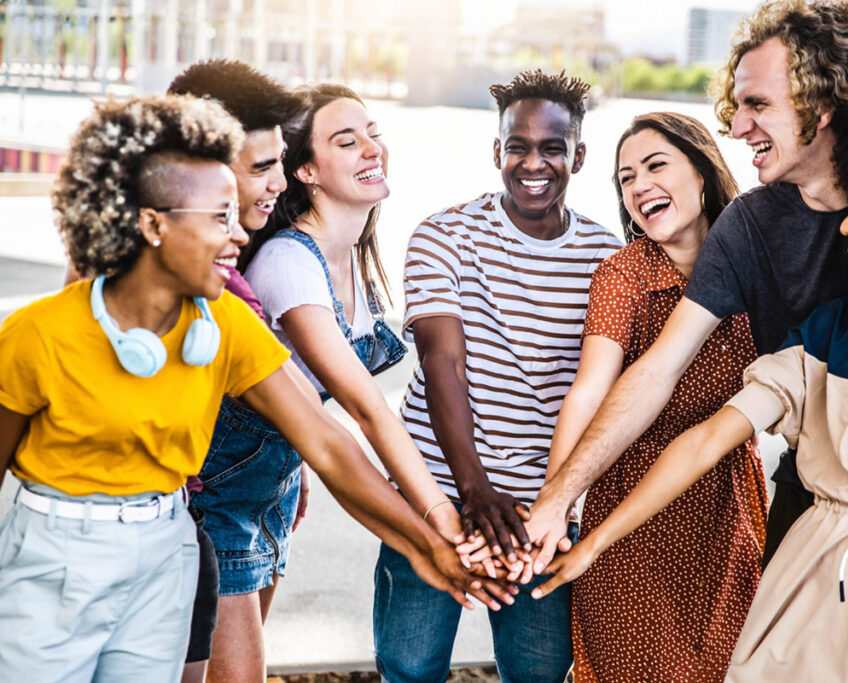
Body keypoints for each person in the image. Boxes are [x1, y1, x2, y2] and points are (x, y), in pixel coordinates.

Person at [534, 63, 848, 682]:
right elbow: (700, 432)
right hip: (810, 575)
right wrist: (581, 526)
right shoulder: (826, 333)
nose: (846, 224)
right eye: (625, 175)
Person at [0, 94, 494, 682]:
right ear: (152, 223)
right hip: (52, 557)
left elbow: (329, 444)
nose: (240, 237)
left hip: (164, 554)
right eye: (218, 218)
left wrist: (425, 545)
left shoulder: (226, 325)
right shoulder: (36, 336)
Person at [526, 0, 848, 573]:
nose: (738, 125)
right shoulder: (748, 227)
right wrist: (558, 502)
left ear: (822, 104)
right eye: (738, 105)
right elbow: (658, 369)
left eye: (758, 104)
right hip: (812, 485)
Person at [181, 77, 484, 680]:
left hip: (271, 494)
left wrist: (286, 470)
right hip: (218, 502)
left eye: (374, 133)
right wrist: (436, 522)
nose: (372, 148)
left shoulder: (353, 260)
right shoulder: (291, 262)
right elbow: (360, 414)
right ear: (307, 171)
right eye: (346, 141)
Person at [372, 70, 621, 683]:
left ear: (579, 156)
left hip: (541, 514)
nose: (533, 162)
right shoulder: (443, 235)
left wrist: (550, 511)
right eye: (518, 146)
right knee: (408, 667)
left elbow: (600, 393)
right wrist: (474, 493)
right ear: (496, 152)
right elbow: (441, 365)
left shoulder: (606, 257)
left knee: (540, 671)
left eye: (552, 148)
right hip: (435, 495)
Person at [547, 112, 765, 681]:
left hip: (723, 501)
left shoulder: (758, 261)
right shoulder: (624, 273)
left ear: (701, 170)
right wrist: (557, 503)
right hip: (626, 504)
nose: (639, 186)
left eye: (655, 165)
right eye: (625, 178)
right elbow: (589, 389)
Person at [165, 58, 309, 683]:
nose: (279, 180)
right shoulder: (223, 297)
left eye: (280, 159)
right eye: (261, 166)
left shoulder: (237, 288)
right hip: (200, 517)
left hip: (234, 513)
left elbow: (319, 436)